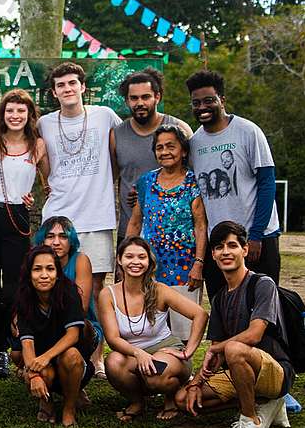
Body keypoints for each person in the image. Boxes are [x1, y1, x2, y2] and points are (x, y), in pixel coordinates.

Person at [175, 221, 293, 428]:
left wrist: (217, 349)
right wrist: (196, 383)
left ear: (245, 250)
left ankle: (251, 419)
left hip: (274, 369)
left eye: (232, 245)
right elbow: (216, 353)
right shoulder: (220, 298)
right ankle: (263, 403)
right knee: (183, 399)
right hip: (237, 368)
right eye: (219, 247)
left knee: (234, 349)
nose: (226, 252)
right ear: (213, 254)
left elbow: (254, 335)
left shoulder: (262, 284)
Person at [38, 62, 120, 378]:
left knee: (97, 287)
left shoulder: (104, 116)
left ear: (83, 87)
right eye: (61, 85)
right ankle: (56, 347)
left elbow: (121, 152)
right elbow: (21, 146)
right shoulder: (44, 123)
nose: (67, 89)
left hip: (97, 215)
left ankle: (96, 356)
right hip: (59, 216)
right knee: (53, 282)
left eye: (73, 83)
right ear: (54, 92)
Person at [0, 89, 47, 379]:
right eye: (10, 111)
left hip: (17, 218)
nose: (15, 116)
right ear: (2, 115)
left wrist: (32, 199)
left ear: (29, 115)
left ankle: (13, 344)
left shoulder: (37, 145)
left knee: (14, 288)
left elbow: (48, 181)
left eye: (21, 111)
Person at [185, 69, 281, 300]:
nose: (202, 107)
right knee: (223, 304)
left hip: (256, 238)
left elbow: (267, 183)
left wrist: (256, 235)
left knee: (262, 306)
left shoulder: (248, 131)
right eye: (196, 103)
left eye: (209, 100)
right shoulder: (195, 143)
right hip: (218, 243)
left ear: (222, 100)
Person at [98, 236, 208, 422]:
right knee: (113, 363)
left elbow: (200, 314)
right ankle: (137, 402)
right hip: (133, 354)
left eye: (141, 257)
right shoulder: (108, 294)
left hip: (165, 350)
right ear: (119, 259)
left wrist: (188, 351)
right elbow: (113, 339)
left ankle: (171, 398)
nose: (135, 262)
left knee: (156, 376)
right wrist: (138, 353)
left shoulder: (159, 290)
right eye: (129, 256)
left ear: (149, 261)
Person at [125, 125, 208, 341]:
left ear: (183, 151)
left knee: (183, 327)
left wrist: (198, 263)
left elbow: (200, 225)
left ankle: (182, 368)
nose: (165, 152)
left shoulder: (193, 182)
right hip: (149, 265)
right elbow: (135, 222)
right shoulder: (145, 182)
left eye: (171, 146)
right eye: (159, 147)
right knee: (151, 326)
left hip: (184, 267)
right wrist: (125, 259)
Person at [14, 246, 95, 428]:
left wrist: (45, 357)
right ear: (29, 274)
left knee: (71, 355)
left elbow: (73, 335)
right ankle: (46, 402)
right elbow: (26, 342)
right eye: (37, 269)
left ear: (58, 273)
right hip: (45, 365)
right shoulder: (24, 298)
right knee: (37, 368)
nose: (44, 275)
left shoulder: (69, 292)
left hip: (70, 363)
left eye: (50, 269)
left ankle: (69, 407)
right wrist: (33, 374)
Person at [111, 68, 193, 242]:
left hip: (175, 232)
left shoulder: (179, 129)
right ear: (127, 101)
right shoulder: (116, 135)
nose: (140, 103)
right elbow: (111, 178)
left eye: (145, 97)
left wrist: (151, 193)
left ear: (157, 97)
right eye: (134, 98)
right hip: (130, 232)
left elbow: (194, 179)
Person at [35, 216, 101, 349]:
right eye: (50, 236)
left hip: (77, 323)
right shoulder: (34, 261)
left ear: (71, 241)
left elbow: (80, 309)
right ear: (42, 241)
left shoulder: (80, 260)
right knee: (16, 353)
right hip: (44, 322)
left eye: (63, 237)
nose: (56, 242)